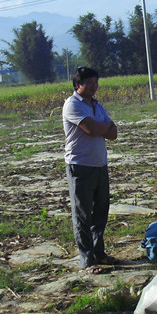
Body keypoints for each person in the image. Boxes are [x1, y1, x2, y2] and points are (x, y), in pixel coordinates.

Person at [63, 66, 118, 275]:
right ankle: (87, 260)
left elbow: (113, 133)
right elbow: (93, 129)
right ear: (78, 85)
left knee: (101, 211)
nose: (94, 86)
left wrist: (101, 127)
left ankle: (99, 252)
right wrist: (102, 127)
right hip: (81, 165)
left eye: (96, 82)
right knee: (83, 214)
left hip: (99, 165)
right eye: (90, 83)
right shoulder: (72, 105)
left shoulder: (96, 105)